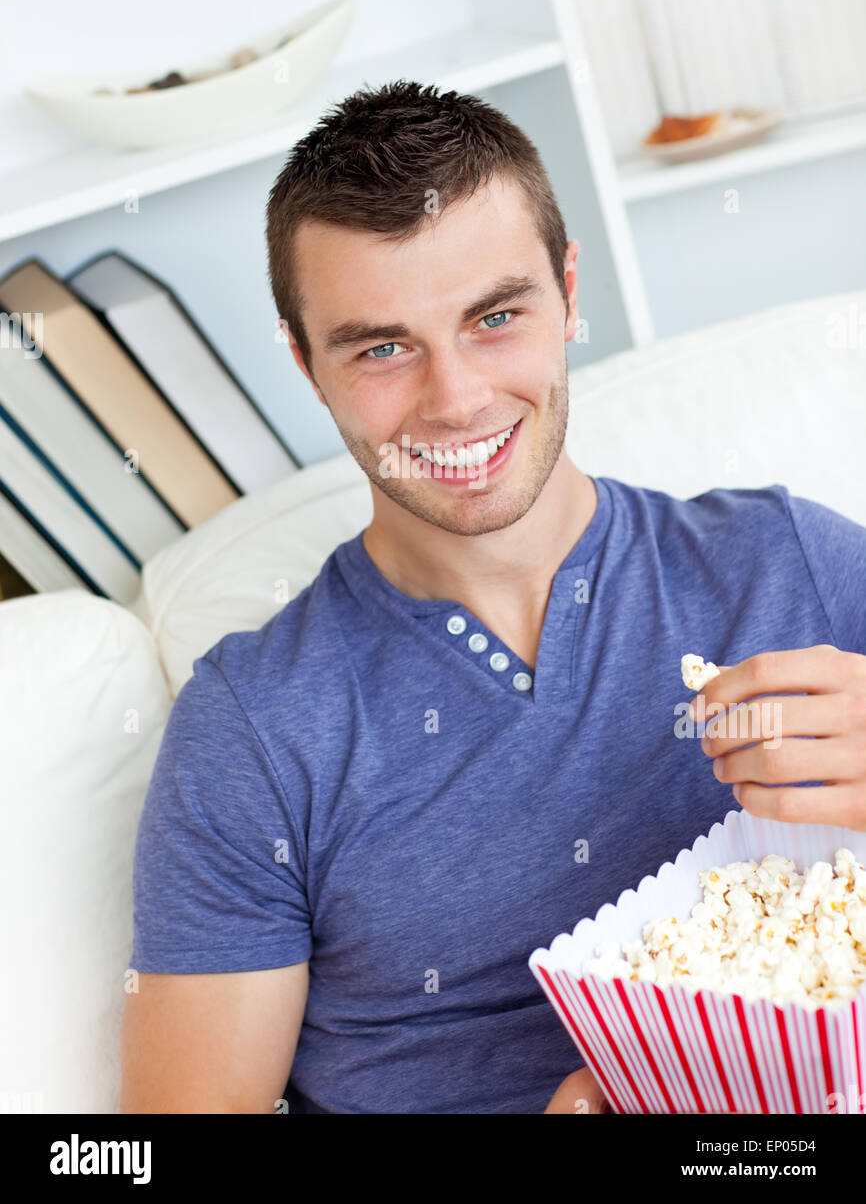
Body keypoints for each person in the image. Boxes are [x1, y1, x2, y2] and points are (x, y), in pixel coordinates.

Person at [121, 81, 866, 1115]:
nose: (456, 397)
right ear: (307, 364)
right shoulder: (253, 732)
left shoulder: (785, 562)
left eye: (495, 316)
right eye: (381, 347)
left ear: (566, 293)